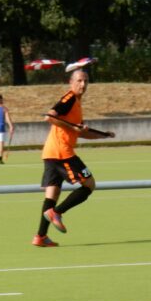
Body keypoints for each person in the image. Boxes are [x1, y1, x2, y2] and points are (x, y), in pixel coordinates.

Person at [32, 69, 115, 247]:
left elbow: (79, 132)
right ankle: (57, 212)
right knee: (89, 184)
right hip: (62, 153)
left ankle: (40, 237)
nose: (83, 84)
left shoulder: (77, 103)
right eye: (79, 81)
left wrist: (103, 135)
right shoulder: (69, 98)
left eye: (86, 81)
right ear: (71, 82)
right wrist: (73, 128)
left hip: (50, 153)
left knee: (52, 195)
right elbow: (49, 117)